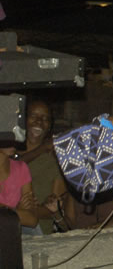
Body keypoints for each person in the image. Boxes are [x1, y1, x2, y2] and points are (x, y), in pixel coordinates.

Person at [17, 99, 67, 234]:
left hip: (38, 232)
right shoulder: (8, 151)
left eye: (45, 118)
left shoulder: (54, 160)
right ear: (23, 119)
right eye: (33, 116)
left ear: (50, 125)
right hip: (8, 228)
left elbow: (53, 209)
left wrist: (24, 211)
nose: (39, 121)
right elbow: (13, 166)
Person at [0, 146, 37, 230]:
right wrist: (16, 210)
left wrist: (10, 212)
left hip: (16, 230)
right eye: (8, 138)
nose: (13, 143)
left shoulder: (20, 167)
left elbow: (32, 220)